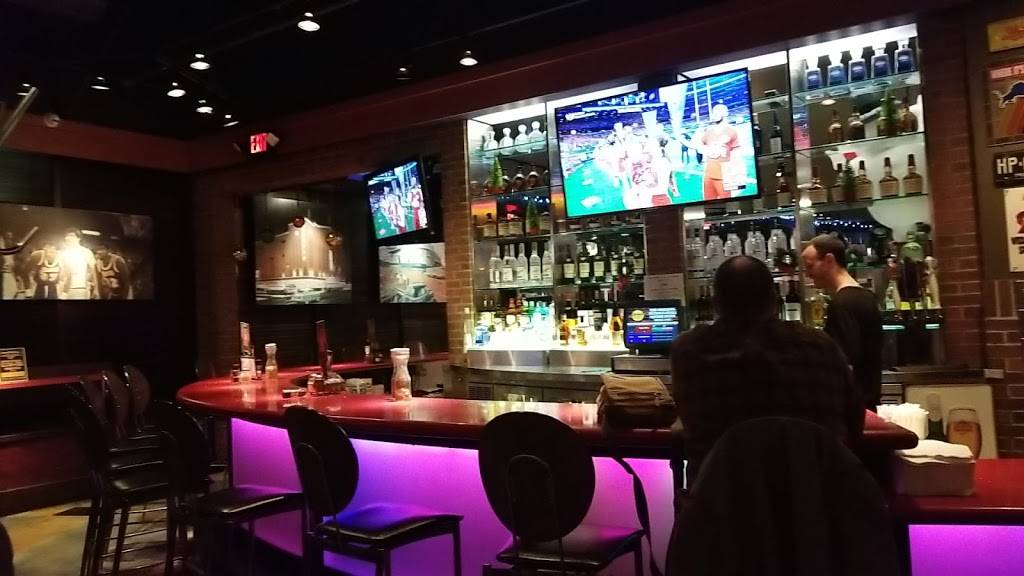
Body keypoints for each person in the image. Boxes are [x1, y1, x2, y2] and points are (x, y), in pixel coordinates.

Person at [672, 255, 864, 484]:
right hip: (815, 497)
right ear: (774, 299)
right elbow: (854, 420)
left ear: (716, 303)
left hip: (719, 499)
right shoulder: (819, 346)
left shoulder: (689, 351)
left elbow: (687, 419)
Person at [802, 234, 884, 409]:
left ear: (829, 260)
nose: (808, 274)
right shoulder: (867, 297)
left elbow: (844, 361)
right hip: (869, 402)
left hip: (851, 408)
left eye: (810, 266)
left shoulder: (842, 303)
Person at [59, 228, 97, 299]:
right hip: (64, 288)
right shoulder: (63, 253)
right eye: (67, 236)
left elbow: (94, 269)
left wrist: (95, 287)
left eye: (71, 235)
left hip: (80, 287)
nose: (68, 238)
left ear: (78, 238)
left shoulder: (85, 251)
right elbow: (62, 272)